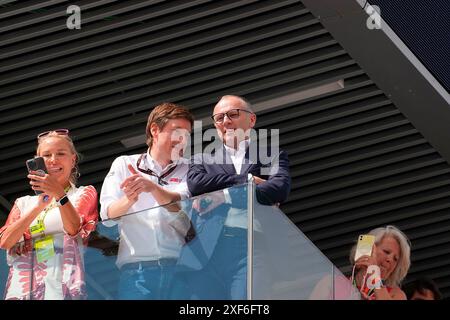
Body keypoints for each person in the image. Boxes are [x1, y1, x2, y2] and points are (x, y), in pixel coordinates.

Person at [180, 95, 291, 299]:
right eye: (219, 118)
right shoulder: (200, 160)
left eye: (233, 114)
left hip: (251, 247)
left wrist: (224, 197)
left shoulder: (271, 155)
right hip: (206, 251)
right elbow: (196, 184)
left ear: (252, 120)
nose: (226, 122)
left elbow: (279, 189)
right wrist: (248, 180)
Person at [99, 102, 194, 299]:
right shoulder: (125, 163)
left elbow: (184, 217)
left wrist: (151, 187)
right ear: (154, 130)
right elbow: (107, 215)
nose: (182, 140)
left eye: (186, 134)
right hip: (136, 272)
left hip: (180, 270)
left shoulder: (191, 169)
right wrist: (129, 199)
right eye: (176, 132)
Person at [0, 129, 98, 300]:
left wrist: (59, 194)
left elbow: (74, 229)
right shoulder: (23, 203)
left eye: (60, 153)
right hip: (22, 288)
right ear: (37, 161)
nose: (53, 160)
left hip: (63, 284)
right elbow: (5, 241)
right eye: (46, 155)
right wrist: (39, 206)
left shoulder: (83, 193)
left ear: (73, 159)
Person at [349, 225, 411, 300]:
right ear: (369, 249)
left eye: (395, 259)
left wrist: (374, 276)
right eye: (386, 252)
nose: (390, 260)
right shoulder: (337, 280)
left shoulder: (396, 295)